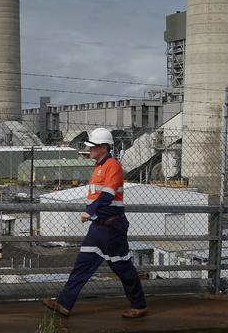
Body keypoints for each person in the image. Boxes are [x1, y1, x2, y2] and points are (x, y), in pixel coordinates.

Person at [43, 127, 147, 318]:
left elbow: (107, 195)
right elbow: (99, 195)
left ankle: (139, 305)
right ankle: (65, 304)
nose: (89, 150)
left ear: (103, 147)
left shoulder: (112, 166)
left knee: (122, 267)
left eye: (92, 147)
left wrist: (89, 213)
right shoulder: (98, 167)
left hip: (112, 227)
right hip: (99, 227)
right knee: (82, 264)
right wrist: (93, 216)